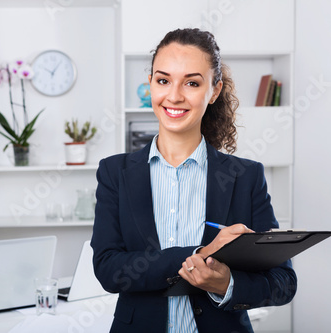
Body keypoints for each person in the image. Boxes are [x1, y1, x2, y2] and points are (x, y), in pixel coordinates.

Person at [91, 28, 297, 333]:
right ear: (150, 84)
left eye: (191, 82)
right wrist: (199, 255)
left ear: (214, 91)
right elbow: (109, 270)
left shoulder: (245, 177)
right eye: (163, 80)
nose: (174, 96)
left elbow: (283, 283)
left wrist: (226, 283)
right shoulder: (114, 173)